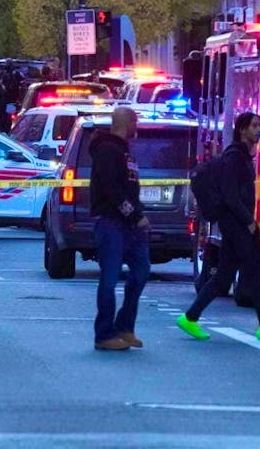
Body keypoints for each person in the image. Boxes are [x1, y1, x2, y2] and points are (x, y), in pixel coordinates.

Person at [177, 112, 260, 343]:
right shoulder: (234, 157)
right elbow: (230, 194)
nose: (258, 130)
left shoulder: (242, 157)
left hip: (233, 223)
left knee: (223, 277)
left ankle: (190, 317)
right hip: (236, 223)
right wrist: (248, 221)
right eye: (253, 126)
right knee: (257, 271)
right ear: (241, 129)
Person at [89, 107, 151, 351]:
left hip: (131, 225)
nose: (138, 126)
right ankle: (104, 334)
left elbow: (128, 187)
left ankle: (125, 326)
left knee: (141, 272)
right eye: (135, 121)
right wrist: (133, 214)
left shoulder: (125, 151)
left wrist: (139, 213)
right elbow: (111, 188)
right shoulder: (107, 150)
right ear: (126, 122)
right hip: (111, 223)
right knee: (109, 279)